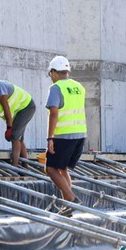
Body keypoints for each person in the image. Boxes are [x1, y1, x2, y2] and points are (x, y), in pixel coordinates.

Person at [44, 56, 86, 206]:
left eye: (50, 74)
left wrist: (50, 138)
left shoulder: (56, 88)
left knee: (50, 169)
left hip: (63, 135)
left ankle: (71, 199)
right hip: (80, 134)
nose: (51, 78)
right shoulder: (79, 87)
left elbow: (54, 113)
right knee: (62, 169)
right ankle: (68, 204)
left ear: (54, 72)